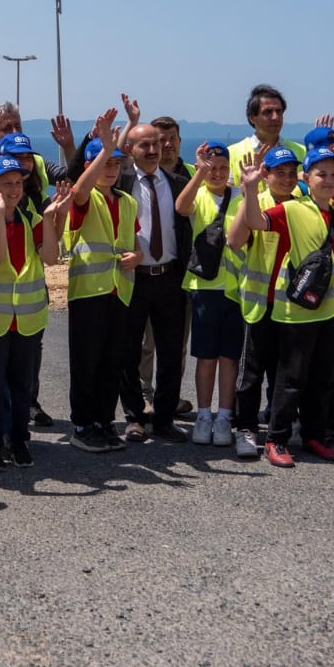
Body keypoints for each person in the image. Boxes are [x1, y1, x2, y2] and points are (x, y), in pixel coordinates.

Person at [228, 147, 334, 468]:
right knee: (281, 376)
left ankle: (313, 433)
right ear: (307, 179)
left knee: (320, 378)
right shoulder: (291, 209)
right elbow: (248, 228)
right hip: (281, 307)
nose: (328, 180)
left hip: (325, 311)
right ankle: (266, 434)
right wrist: (251, 189)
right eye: (321, 174)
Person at [0, 157, 71, 470]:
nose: (14, 190)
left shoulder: (33, 220)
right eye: (7, 184)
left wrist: (54, 217)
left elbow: (52, 258)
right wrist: (0, 215)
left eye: (19, 183)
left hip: (26, 321)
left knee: (21, 386)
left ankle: (18, 441)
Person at [63, 112, 138, 453]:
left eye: (116, 164)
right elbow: (79, 188)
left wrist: (137, 256)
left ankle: (104, 421)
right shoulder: (86, 196)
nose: (111, 169)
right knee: (87, 360)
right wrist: (105, 148)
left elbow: (135, 242)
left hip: (120, 289)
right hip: (89, 291)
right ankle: (82, 423)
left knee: (113, 360)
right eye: (105, 163)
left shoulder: (128, 202)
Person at [114, 122, 194, 442]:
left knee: (171, 353)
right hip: (133, 278)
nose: (151, 150)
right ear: (130, 151)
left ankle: (163, 419)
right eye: (143, 145)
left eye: (156, 144)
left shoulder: (177, 183)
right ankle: (134, 417)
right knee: (129, 352)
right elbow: (81, 173)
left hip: (170, 279)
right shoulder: (122, 181)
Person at [230, 146, 304, 457]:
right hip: (260, 302)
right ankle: (246, 428)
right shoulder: (255, 202)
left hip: (293, 306)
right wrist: (249, 190)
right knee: (251, 374)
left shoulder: (305, 205)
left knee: (286, 374)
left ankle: (278, 432)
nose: (286, 179)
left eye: (291, 173)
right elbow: (234, 242)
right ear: (267, 175)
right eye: (280, 173)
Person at [176, 141, 245, 447]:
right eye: (211, 167)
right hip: (205, 287)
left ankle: (225, 416)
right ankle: (204, 415)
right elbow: (181, 207)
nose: (217, 173)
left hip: (236, 289)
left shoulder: (241, 196)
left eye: (222, 168)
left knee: (230, 357)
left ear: (230, 168)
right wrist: (199, 173)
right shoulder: (199, 194)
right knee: (206, 357)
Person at [229, 85, 306, 184]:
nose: (275, 117)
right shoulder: (231, 154)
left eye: (279, 111)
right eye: (268, 112)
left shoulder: (302, 152)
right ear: (252, 118)